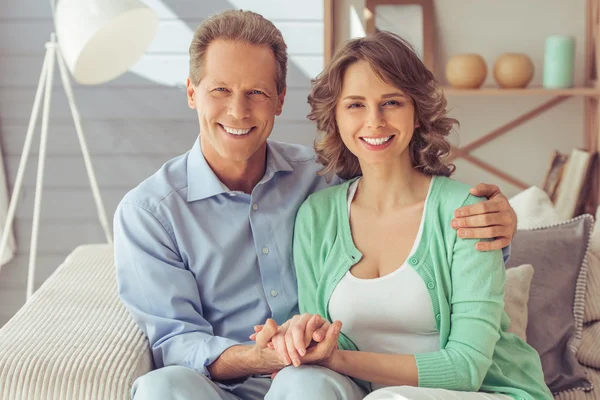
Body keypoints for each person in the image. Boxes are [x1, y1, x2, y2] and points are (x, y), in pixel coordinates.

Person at [114, 10, 519, 400]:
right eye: (220, 90)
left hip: (315, 380)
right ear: (192, 93)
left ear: (280, 100)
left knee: (304, 383)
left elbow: (407, 199)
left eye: (256, 92)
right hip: (216, 384)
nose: (238, 110)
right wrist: (255, 357)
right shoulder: (149, 213)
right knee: (158, 389)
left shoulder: (323, 176)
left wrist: (500, 223)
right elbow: (175, 340)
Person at [261, 31, 552, 400]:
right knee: (296, 384)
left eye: (392, 102)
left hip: (484, 392)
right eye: (355, 105)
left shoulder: (467, 212)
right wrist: (301, 339)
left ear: (417, 113)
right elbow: (322, 340)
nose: (374, 121)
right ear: (335, 117)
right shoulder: (316, 217)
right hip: (367, 394)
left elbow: (465, 369)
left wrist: (338, 360)